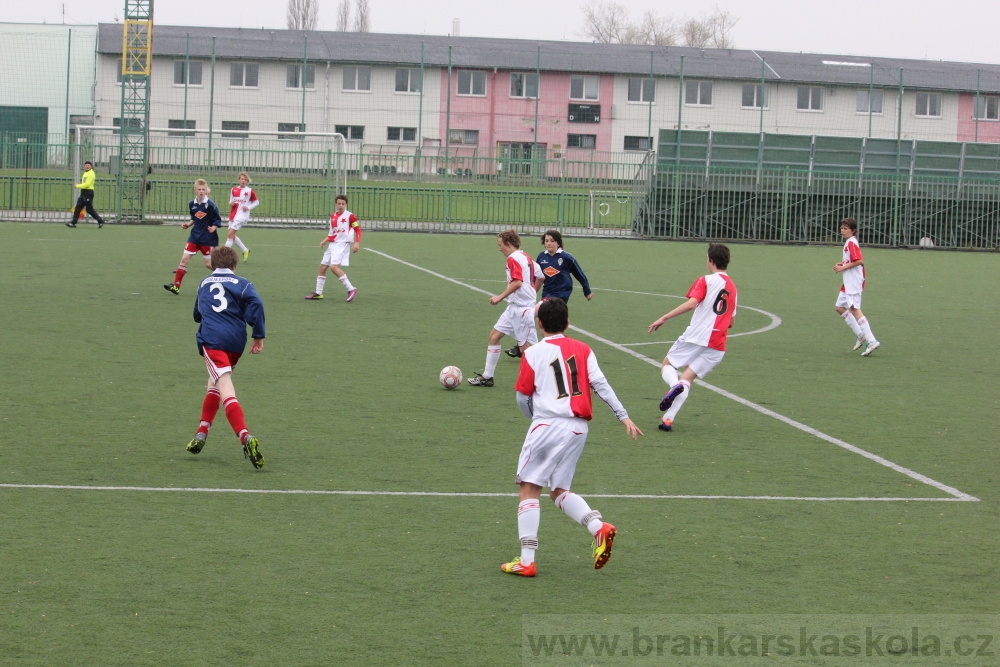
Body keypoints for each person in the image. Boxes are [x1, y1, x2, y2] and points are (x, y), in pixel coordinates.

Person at [500, 298, 643, 577]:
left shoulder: (532, 353)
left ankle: (527, 560)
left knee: (529, 488)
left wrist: (537, 421)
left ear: (539, 324)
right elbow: (600, 384)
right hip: (578, 428)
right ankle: (598, 527)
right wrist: (622, 415)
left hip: (548, 426)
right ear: (567, 322)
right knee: (558, 490)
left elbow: (522, 397)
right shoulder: (584, 349)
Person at [185, 246, 266, 469]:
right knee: (215, 382)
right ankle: (201, 432)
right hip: (235, 343)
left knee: (225, 388)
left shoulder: (203, 284)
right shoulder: (243, 283)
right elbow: (256, 304)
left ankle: (245, 437)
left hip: (213, 341)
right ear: (234, 265)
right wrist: (257, 334)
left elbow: (196, 315)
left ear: (211, 263)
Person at [647, 243, 737, 432]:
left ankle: (674, 385)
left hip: (697, 336)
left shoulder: (706, 280)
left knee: (668, 365)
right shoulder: (733, 288)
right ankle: (667, 420)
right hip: (718, 344)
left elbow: (691, 303)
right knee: (687, 379)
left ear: (710, 261)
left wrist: (664, 317)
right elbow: (731, 322)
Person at [468, 229, 543, 387]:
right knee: (494, 336)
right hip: (515, 307)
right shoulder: (525, 256)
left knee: (527, 350)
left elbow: (517, 282)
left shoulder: (513, 259)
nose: (499, 248)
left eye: (500, 245)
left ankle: (546, 380)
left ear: (508, 244)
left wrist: (499, 297)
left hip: (521, 310)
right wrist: (532, 292)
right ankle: (488, 376)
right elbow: (541, 275)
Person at [506, 230, 593, 358]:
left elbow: (580, 275)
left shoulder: (566, 258)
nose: (549, 243)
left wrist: (587, 291)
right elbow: (536, 276)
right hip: (547, 293)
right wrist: (530, 291)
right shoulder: (542, 257)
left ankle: (524, 348)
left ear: (558, 243)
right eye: (546, 241)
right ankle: (551, 349)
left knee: (529, 315)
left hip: (561, 295)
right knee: (550, 322)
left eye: (552, 241)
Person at [164, 179, 222, 295]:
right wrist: (188, 224)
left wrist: (214, 227)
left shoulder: (210, 205)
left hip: (207, 238)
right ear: (195, 190)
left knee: (208, 264)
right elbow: (194, 218)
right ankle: (176, 286)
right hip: (194, 237)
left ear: (207, 191)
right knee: (184, 259)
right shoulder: (192, 204)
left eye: (203, 190)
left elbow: (217, 219)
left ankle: (225, 276)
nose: (201, 192)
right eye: (199, 189)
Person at [834, 218, 880, 356]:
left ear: (853, 231)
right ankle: (861, 334)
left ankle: (872, 341)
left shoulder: (852, 243)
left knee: (854, 309)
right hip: (848, 281)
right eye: (842, 228)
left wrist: (843, 268)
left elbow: (859, 260)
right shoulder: (848, 243)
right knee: (839, 307)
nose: (842, 230)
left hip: (854, 281)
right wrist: (843, 264)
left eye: (846, 228)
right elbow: (851, 260)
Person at [304, 194, 361, 301]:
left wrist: (357, 243)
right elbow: (332, 233)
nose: (340, 206)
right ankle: (318, 293)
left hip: (342, 244)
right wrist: (325, 240)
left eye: (343, 204)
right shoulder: (333, 216)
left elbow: (358, 229)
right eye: (339, 203)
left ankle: (351, 289)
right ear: (336, 204)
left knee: (333, 267)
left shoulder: (350, 216)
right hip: (333, 244)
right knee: (322, 267)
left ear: (346, 204)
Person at [226, 171, 259, 262]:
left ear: (247, 181)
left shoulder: (249, 191)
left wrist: (248, 207)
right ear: (238, 180)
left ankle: (224, 255)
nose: (243, 181)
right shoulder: (233, 189)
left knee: (229, 234)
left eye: (245, 179)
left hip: (242, 216)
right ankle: (245, 250)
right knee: (232, 235)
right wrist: (231, 203)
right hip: (233, 215)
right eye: (241, 179)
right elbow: (231, 200)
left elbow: (256, 202)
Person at [66, 161, 106, 228]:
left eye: (88, 165)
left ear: (91, 166)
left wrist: (77, 186)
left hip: (88, 192)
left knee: (89, 210)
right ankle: (73, 222)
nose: (87, 166)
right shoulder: (85, 173)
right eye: (86, 165)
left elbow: (87, 184)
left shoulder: (91, 174)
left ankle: (100, 220)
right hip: (83, 192)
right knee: (78, 207)